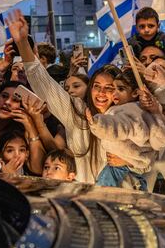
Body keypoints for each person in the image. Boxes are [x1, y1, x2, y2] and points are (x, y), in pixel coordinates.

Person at [7, 9, 115, 183]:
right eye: (96, 86)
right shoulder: (78, 113)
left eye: (109, 88)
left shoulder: (128, 118)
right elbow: (44, 84)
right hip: (84, 201)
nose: (101, 93)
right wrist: (22, 44)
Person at [86, 70, 165, 189]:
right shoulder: (138, 110)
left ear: (135, 92)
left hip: (120, 169)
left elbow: (118, 126)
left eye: (121, 89)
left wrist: (97, 123)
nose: (114, 94)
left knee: (101, 197)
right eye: (113, 89)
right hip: (133, 170)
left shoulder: (129, 112)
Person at [0, 81, 46, 173]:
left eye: (15, 100)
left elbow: (38, 169)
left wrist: (30, 127)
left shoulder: (23, 133)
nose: (7, 102)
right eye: (4, 96)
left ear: (23, 107)